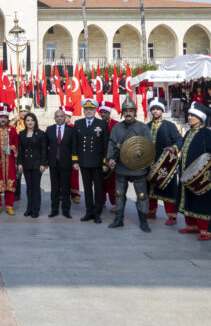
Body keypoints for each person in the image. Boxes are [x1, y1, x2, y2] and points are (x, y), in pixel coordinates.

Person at [106, 101, 153, 231]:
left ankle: (143, 222)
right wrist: (110, 159)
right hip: (121, 166)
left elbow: (149, 146)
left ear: (135, 112)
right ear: (122, 112)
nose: (128, 113)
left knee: (142, 195)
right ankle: (118, 220)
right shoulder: (117, 128)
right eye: (126, 111)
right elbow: (111, 144)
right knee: (119, 194)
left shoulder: (143, 128)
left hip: (138, 168)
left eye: (131, 110)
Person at [176, 102, 211, 240]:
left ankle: (206, 230)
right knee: (188, 198)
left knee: (201, 200)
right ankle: (191, 225)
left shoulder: (207, 133)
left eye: (193, 115)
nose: (190, 117)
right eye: (189, 115)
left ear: (200, 118)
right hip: (186, 173)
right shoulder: (188, 132)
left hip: (201, 175)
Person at [145, 99, 182, 225]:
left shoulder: (169, 125)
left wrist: (174, 148)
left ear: (162, 110)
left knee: (169, 189)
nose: (155, 111)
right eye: (153, 109)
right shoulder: (147, 126)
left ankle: (172, 216)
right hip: (149, 163)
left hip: (166, 164)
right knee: (149, 187)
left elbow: (179, 140)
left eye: (158, 109)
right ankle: (151, 210)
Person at [73, 99, 109, 223]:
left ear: (95, 110)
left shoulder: (102, 124)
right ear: (83, 111)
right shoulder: (78, 123)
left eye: (91, 109)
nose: (89, 111)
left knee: (98, 189)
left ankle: (97, 213)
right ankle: (89, 212)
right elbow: (75, 144)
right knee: (87, 189)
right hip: (83, 162)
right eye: (86, 109)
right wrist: (75, 160)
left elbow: (106, 145)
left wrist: (105, 162)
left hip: (98, 162)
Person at [44, 107, 75, 219]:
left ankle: (66, 210)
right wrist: (45, 161)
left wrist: (74, 161)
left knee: (66, 188)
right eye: (57, 116)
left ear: (65, 117)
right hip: (53, 163)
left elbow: (74, 147)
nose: (60, 118)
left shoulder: (71, 130)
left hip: (66, 163)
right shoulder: (49, 129)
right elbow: (45, 147)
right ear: (54, 118)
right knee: (55, 188)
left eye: (62, 116)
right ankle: (54, 210)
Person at [15, 111, 47, 218]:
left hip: (37, 165)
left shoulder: (41, 134)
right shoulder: (22, 134)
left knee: (36, 187)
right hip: (26, 164)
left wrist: (43, 163)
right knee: (29, 187)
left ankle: (35, 209)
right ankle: (29, 208)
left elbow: (44, 150)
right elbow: (20, 149)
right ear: (24, 122)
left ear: (35, 121)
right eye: (28, 120)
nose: (30, 122)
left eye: (32, 120)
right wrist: (19, 163)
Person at [0, 104, 18, 215]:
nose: (3, 119)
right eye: (1, 117)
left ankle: (9, 205)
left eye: (5, 118)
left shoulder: (12, 130)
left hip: (9, 160)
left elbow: (17, 143)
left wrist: (13, 147)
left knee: (10, 183)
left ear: (8, 118)